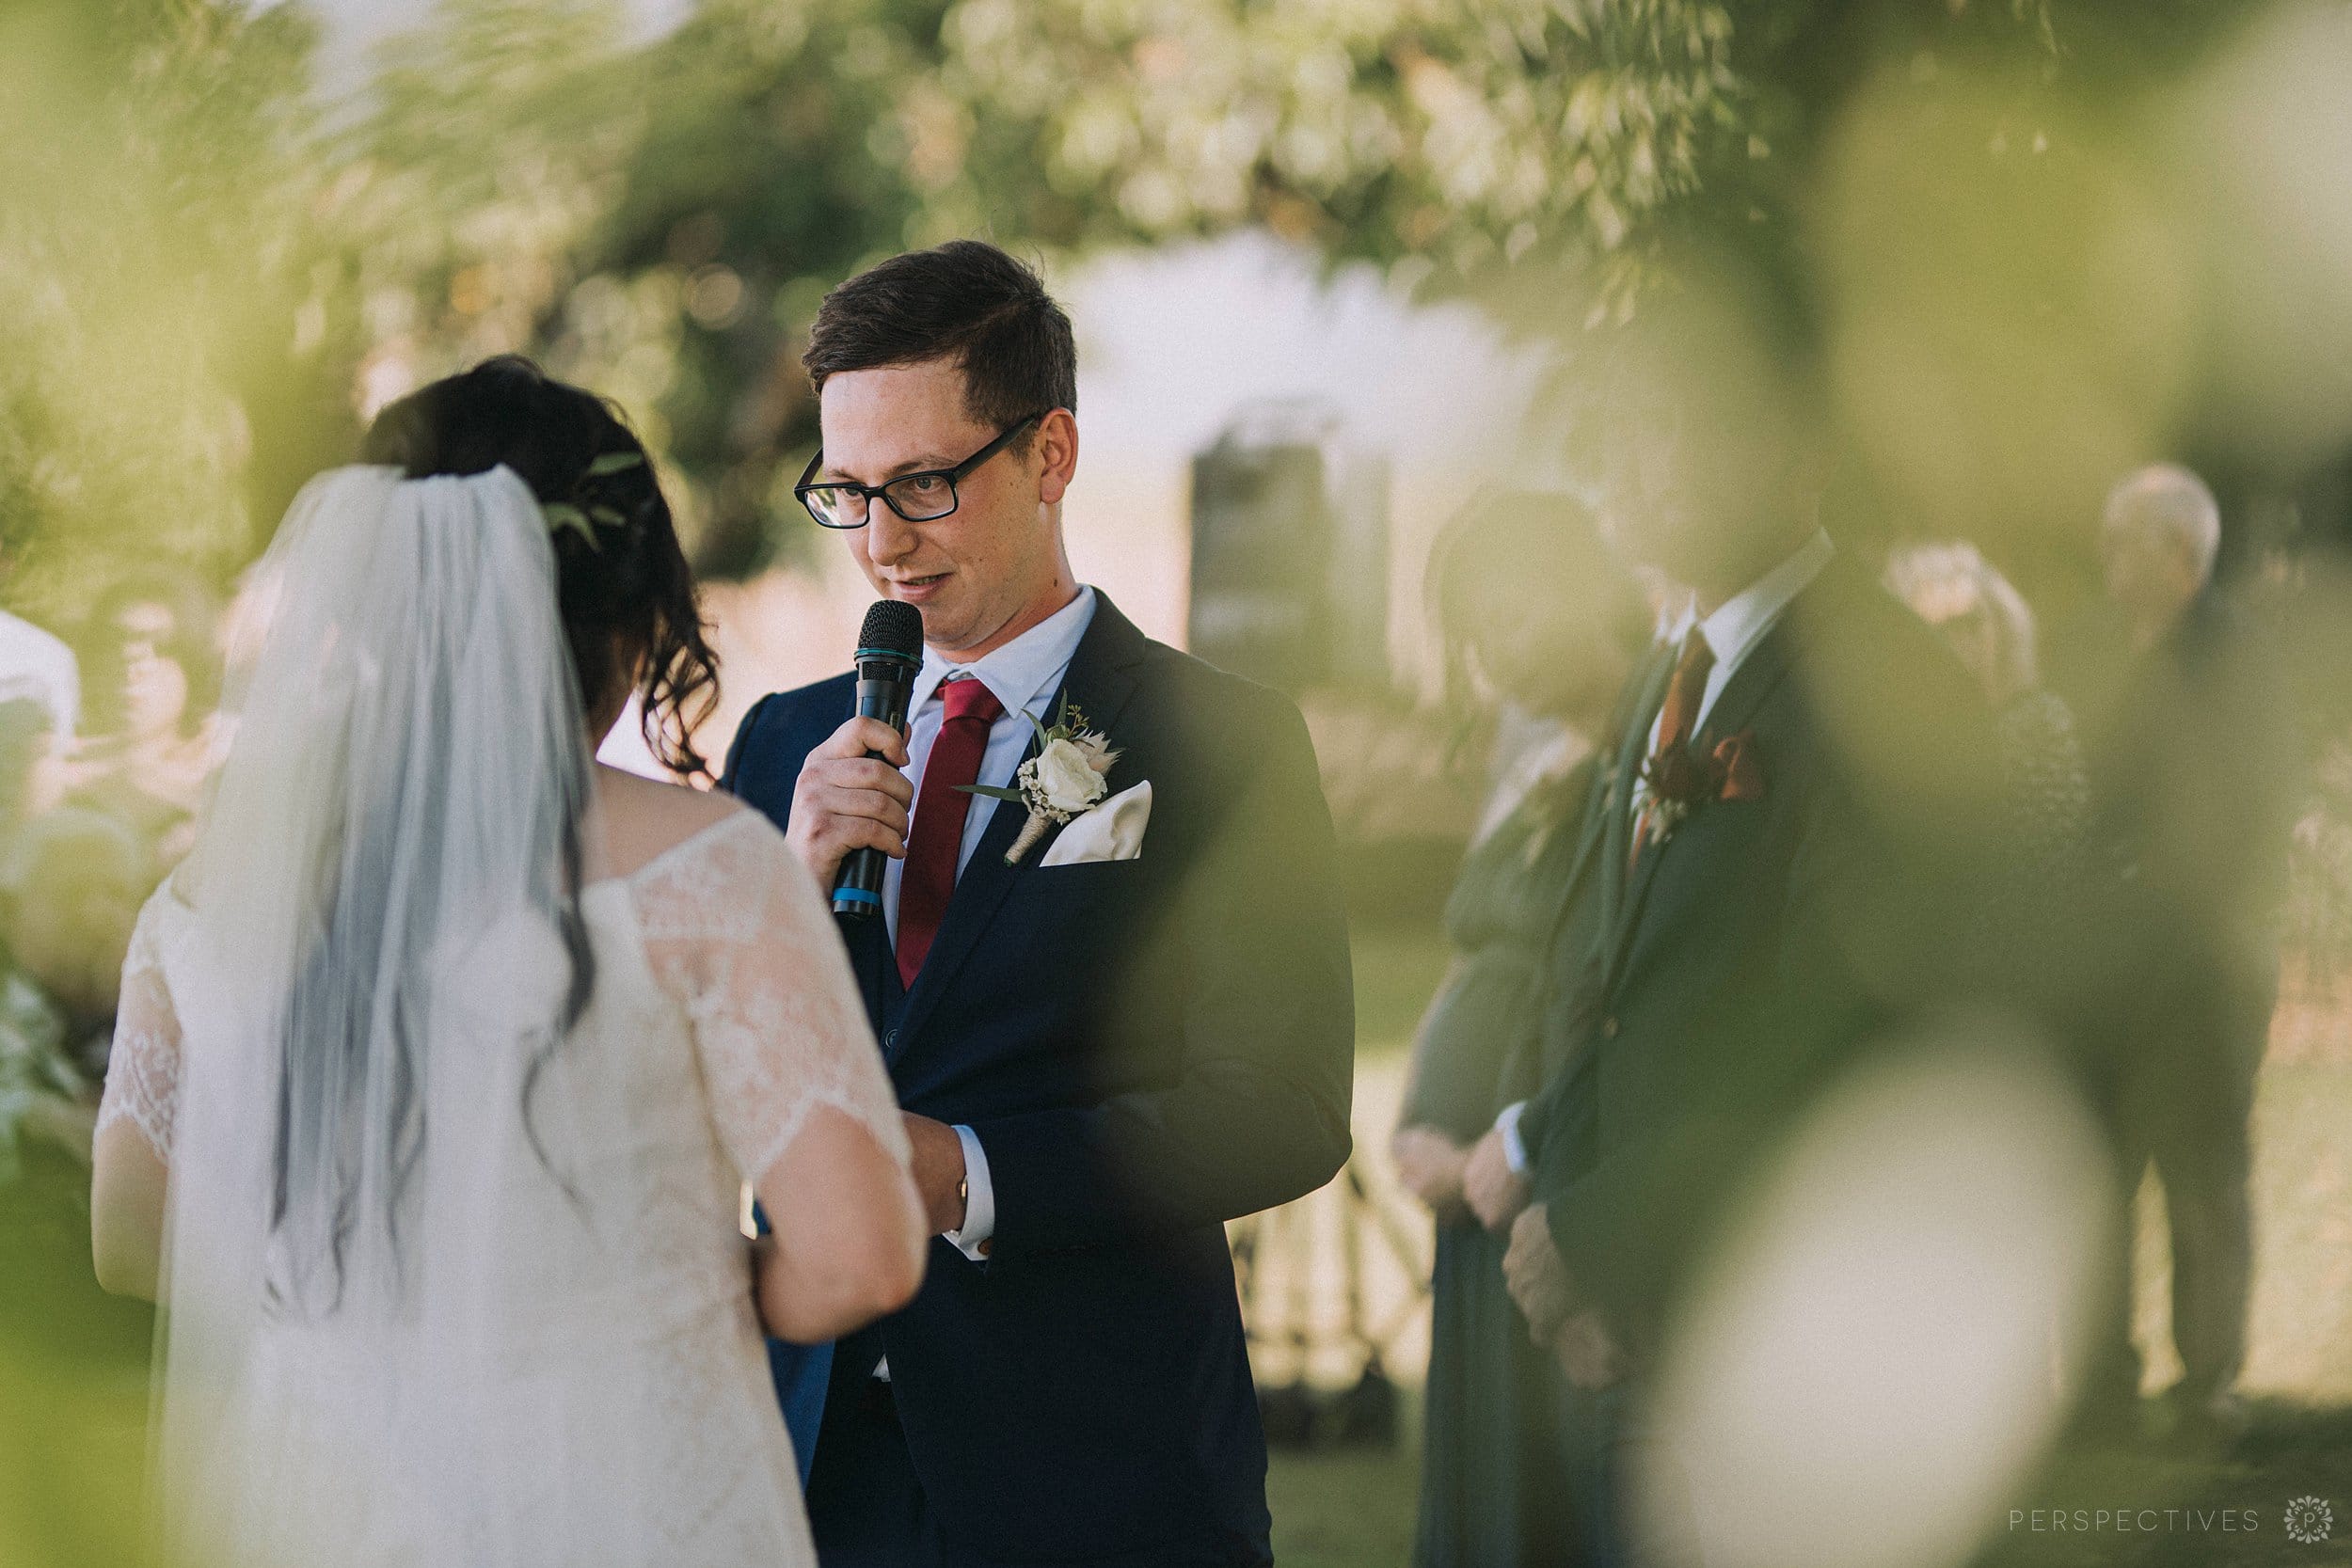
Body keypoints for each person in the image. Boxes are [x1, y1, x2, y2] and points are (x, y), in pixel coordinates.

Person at [87, 357, 928, 1567]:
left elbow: (132, 1230)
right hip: (626, 1493)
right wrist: (660, 1281)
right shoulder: (707, 870)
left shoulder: (215, 890)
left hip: (321, 1504)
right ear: (634, 621)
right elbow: (858, 1251)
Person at [723, 240, 1356, 1568]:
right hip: (811, 1468)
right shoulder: (782, 744)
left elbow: (1282, 1104)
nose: (884, 542)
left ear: (1051, 453)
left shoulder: (1220, 741)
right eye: (848, 492)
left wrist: (971, 1172)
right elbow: (701, 1085)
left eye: (926, 484)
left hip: (1096, 1468)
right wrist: (778, 886)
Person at [1458, 277, 2001, 1562]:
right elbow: (1610, 970)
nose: (1634, 460)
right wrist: (1550, 1177)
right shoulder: (1670, 664)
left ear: (1800, 447)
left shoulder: (1884, 683)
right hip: (1626, 1311)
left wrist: (1602, 1233)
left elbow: (1852, 1029)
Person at [1393, 492, 1648, 1568]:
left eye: (1514, 613)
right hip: (1471, 1218)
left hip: (1554, 1207)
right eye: (1476, 632)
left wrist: (1505, 1149)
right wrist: (1424, 1131)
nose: (1496, 650)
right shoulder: (1543, 770)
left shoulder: (1652, 765)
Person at [2076, 464, 2298, 1442]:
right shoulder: (2096, 655)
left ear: (2179, 553)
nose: (2105, 555)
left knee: (2203, 1167)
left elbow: (2250, 813)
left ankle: (2208, 1381)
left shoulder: (2240, 660)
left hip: (2205, 963)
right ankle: (2097, 1381)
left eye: (2122, 538)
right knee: (2096, 1172)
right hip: (2106, 966)